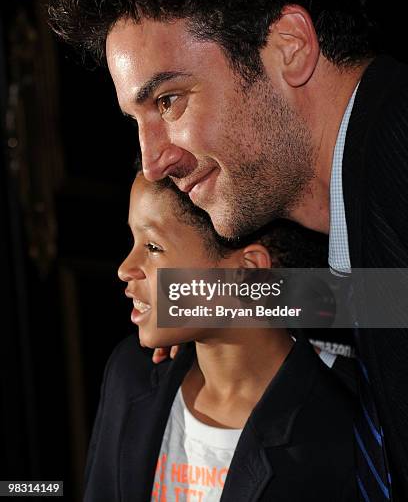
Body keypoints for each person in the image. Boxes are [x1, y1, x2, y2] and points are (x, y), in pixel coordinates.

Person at [48, 0, 408, 498]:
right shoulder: (369, 187)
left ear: (289, 46)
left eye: (169, 100)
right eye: (137, 119)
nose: (152, 162)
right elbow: (385, 299)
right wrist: (204, 307)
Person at [84, 170, 357, 501]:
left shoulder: (343, 423)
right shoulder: (131, 375)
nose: (124, 268)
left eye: (154, 247)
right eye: (134, 241)